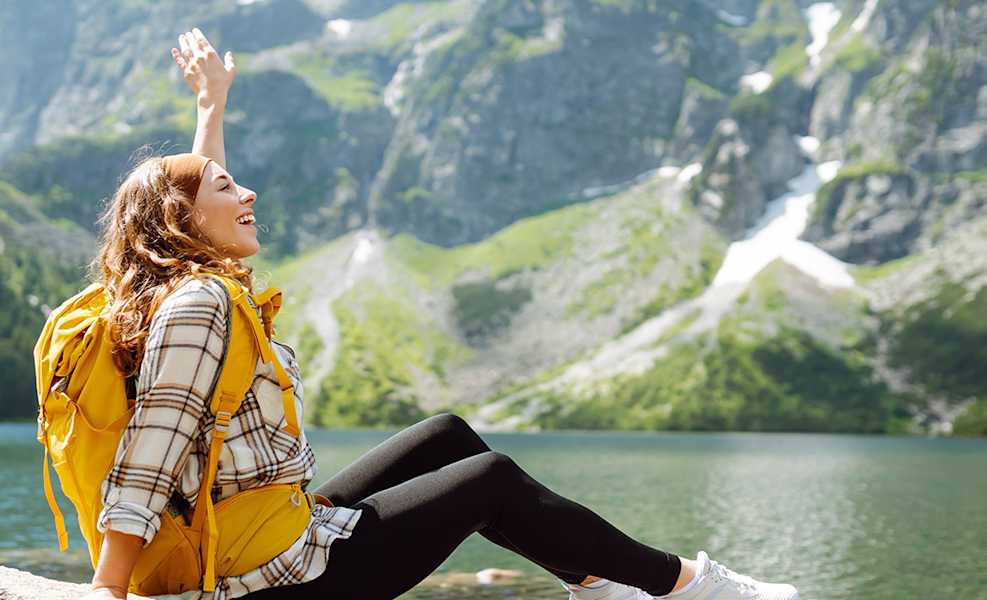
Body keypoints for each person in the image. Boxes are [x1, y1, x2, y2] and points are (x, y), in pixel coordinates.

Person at [77, 28, 800, 600]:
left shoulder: (193, 287)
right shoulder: (202, 306)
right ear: (185, 220)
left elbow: (194, 195)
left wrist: (211, 107)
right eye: (229, 187)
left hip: (275, 532)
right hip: (272, 578)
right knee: (489, 479)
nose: (249, 194)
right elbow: (153, 447)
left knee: (445, 437)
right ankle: (688, 586)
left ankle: (596, 583)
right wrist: (109, 587)